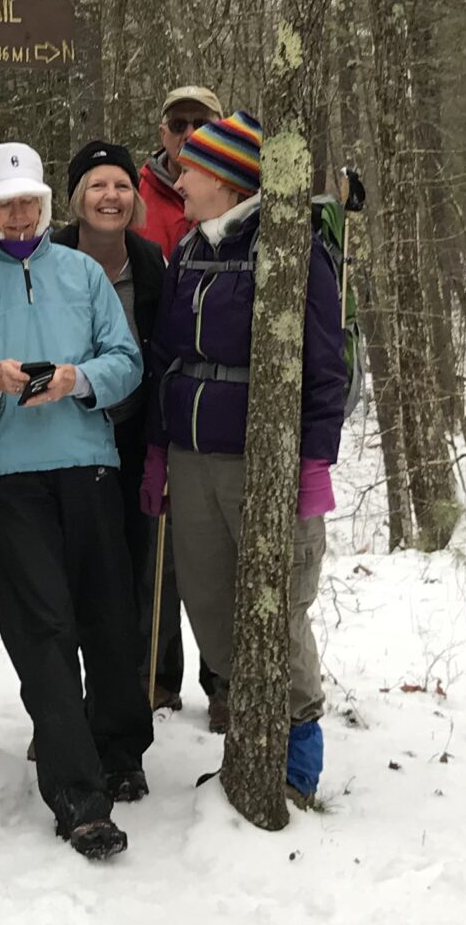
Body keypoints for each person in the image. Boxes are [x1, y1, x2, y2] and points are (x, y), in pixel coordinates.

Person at [0, 141, 149, 860]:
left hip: (89, 464)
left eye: (29, 201)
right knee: (43, 631)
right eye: (5, 206)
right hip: (10, 477)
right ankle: (78, 797)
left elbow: (128, 362)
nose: (20, 213)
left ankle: (122, 753)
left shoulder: (82, 272)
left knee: (107, 617)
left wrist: (79, 380)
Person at [140, 110, 349, 806]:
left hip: (265, 460)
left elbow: (325, 363)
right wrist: (159, 453)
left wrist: (313, 461)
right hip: (193, 458)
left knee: (277, 604)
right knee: (210, 607)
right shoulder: (192, 250)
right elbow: (167, 355)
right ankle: (249, 747)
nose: (180, 177)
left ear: (228, 182)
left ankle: (298, 760)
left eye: (192, 169)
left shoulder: (288, 245)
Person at [50, 140, 193, 714]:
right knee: (70, 573)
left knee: (140, 566)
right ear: (75, 197)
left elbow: (162, 350)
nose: (110, 196)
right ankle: (64, 698)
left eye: (120, 185)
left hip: (133, 434)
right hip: (66, 437)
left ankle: (137, 686)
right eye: (96, 185)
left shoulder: (149, 260)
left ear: (135, 197)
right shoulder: (49, 255)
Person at [133, 85, 225, 257]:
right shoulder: (133, 197)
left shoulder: (242, 197)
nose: (190, 134)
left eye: (202, 125)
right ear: (162, 134)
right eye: (178, 125)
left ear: (222, 130)